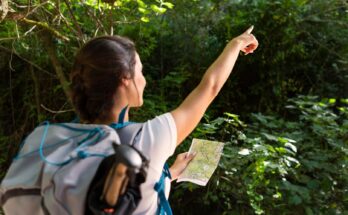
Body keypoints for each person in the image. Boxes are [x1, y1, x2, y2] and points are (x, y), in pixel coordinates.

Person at [70, 26, 258, 214]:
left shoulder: (67, 141)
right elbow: (210, 87)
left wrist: (172, 172)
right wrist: (236, 43)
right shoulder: (145, 139)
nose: (144, 80)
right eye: (140, 72)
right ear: (125, 78)